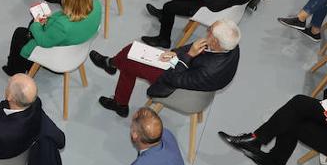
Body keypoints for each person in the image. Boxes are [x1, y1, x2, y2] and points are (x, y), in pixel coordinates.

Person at [91, 20, 242, 116]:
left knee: (130, 57)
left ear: (215, 41)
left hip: (179, 82)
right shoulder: (231, 45)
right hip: (188, 71)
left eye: (209, 30)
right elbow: (195, 47)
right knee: (131, 56)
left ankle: (111, 66)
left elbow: (174, 79)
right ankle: (115, 81)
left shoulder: (209, 71)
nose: (207, 30)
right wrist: (173, 52)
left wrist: (188, 56)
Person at [4, 0, 102, 74]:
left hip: (59, 56)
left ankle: (14, 69)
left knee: (20, 33)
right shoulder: (97, 5)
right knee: (32, 28)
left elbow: (44, 41)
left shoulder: (63, 25)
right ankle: (28, 63)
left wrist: (36, 24)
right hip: (78, 46)